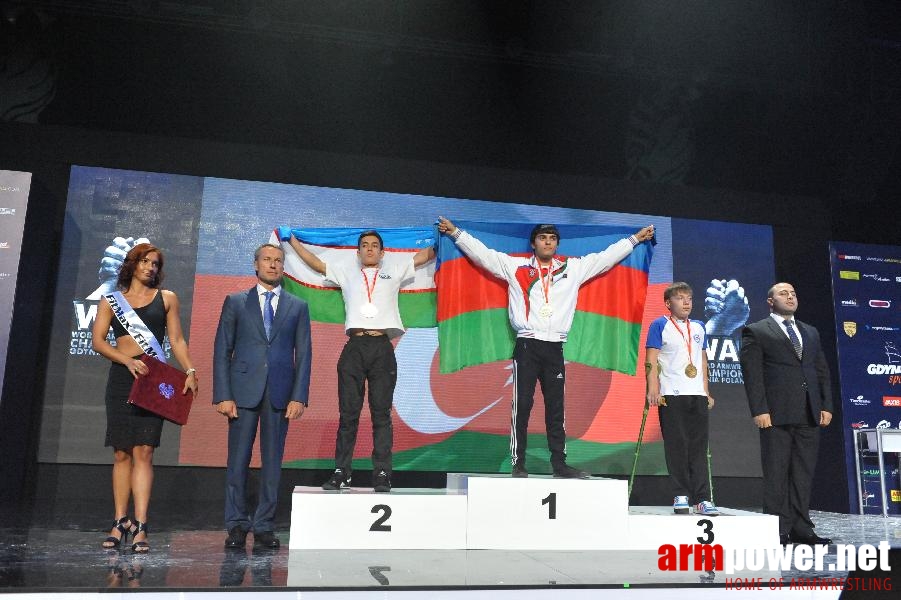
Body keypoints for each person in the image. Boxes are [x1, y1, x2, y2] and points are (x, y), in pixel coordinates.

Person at [437, 217, 656, 478]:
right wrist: (455, 233)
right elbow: (482, 255)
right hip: (527, 345)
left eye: (552, 238)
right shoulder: (514, 266)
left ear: (557, 244)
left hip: (555, 348)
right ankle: (518, 463)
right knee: (523, 405)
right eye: (543, 238)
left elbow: (605, 258)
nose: (548, 242)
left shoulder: (572, 269)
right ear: (533, 243)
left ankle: (559, 464)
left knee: (556, 408)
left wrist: (635, 239)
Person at [284, 229, 435, 492]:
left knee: (381, 416)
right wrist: (293, 242)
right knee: (348, 415)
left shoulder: (395, 270)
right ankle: (342, 472)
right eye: (364, 245)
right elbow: (317, 263)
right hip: (354, 348)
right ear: (357, 252)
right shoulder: (347, 272)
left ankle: (382, 474)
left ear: (382, 252)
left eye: (374, 245)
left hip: (382, 348)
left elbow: (424, 257)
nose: (369, 249)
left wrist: (447, 236)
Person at [91, 243, 198, 553]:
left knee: (145, 452)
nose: (151, 267)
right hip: (123, 379)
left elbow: (176, 339)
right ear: (133, 264)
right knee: (122, 452)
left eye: (155, 263)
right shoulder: (111, 301)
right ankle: (118, 521)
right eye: (146, 261)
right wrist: (126, 360)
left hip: (152, 381)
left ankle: (140, 525)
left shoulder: (167, 299)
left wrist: (189, 369)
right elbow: (98, 342)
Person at [213, 243, 312, 550]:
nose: (273, 265)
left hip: (280, 393)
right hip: (242, 392)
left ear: (283, 267)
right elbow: (221, 350)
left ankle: (265, 525)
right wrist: (223, 394)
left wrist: (299, 396)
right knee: (238, 461)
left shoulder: (297, 306)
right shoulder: (236, 302)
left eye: (278, 261)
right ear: (256, 264)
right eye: (267, 260)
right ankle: (237, 525)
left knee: (272, 463)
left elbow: (305, 354)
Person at [739, 282, 833, 545]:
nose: (790, 297)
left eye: (793, 293)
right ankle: (777, 529)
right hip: (776, 415)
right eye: (783, 293)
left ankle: (802, 527)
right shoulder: (756, 331)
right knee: (777, 472)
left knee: (803, 474)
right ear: (770, 301)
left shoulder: (810, 332)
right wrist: (759, 410)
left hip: (809, 412)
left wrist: (826, 405)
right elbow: (753, 376)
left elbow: (821, 371)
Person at [645, 282, 718, 516]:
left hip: (696, 394)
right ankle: (681, 494)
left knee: (698, 447)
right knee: (677, 446)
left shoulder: (699, 327)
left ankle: (702, 498)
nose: (686, 302)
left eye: (689, 298)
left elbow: (703, 361)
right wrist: (652, 389)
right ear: (668, 303)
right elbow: (651, 360)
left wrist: (706, 390)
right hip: (670, 393)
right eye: (680, 298)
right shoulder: (659, 325)